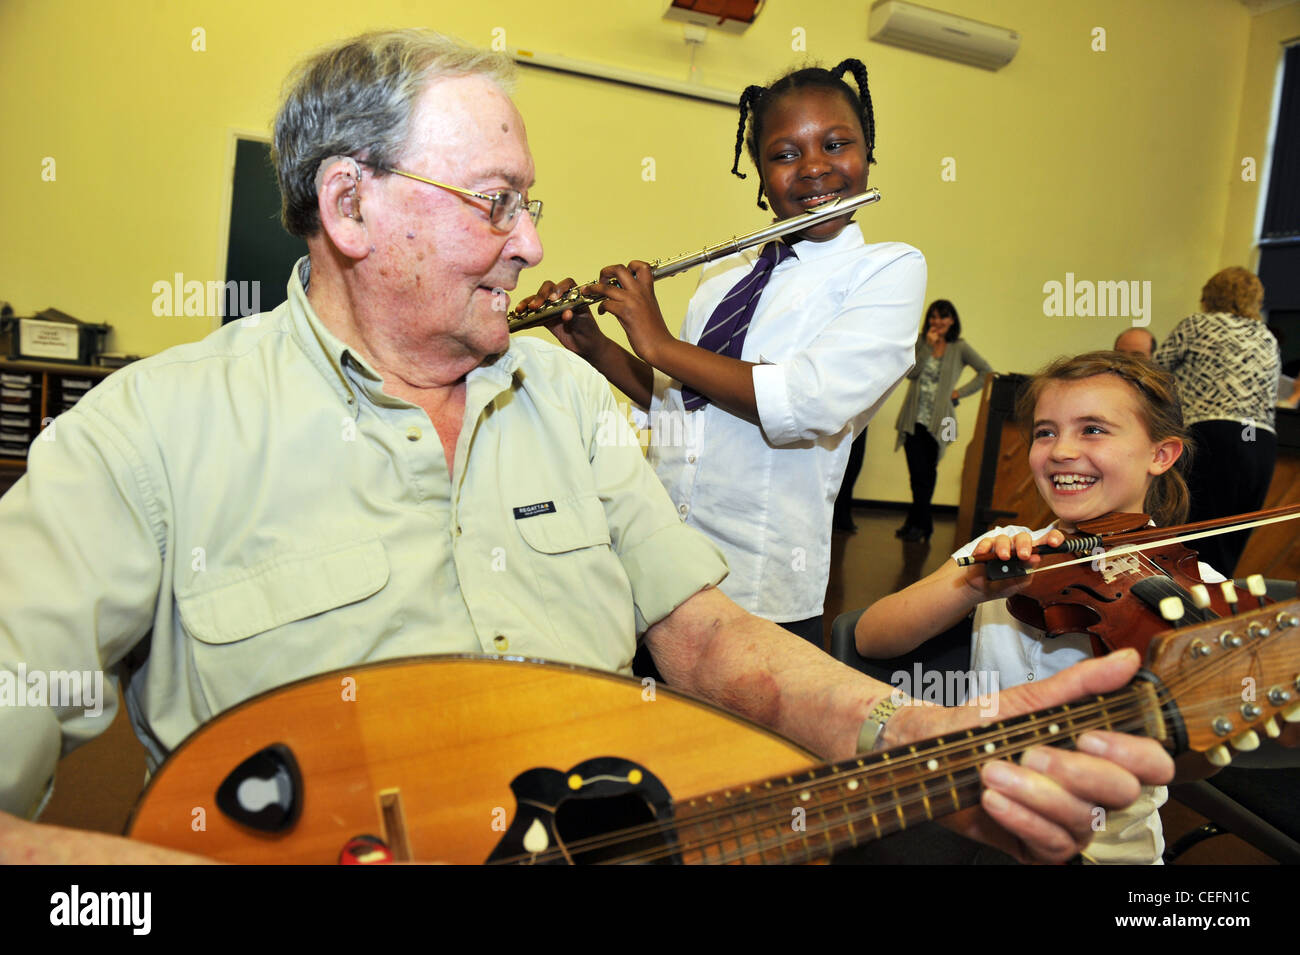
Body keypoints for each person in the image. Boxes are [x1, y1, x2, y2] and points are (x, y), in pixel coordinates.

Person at [0, 32, 1171, 864]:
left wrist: (907, 733)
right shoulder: (140, 436)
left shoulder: (560, 397)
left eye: (532, 203)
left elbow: (701, 634)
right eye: (496, 201)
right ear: (350, 209)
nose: (531, 242)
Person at [526, 61, 923, 647]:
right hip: (660, 564)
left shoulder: (888, 269)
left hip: (761, 585)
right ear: (760, 174)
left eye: (836, 144)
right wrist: (597, 345)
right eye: (785, 154)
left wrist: (658, 340)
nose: (815, 167)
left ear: (867, 152)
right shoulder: (724, 273)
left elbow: (806, 401)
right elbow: (682, 406)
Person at [857, 351, 1209, 863]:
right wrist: (972, 587)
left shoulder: (1196, 590)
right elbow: (871, 636)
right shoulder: (1003, 548)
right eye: (1045, 432)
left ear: (1161, 454)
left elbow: (1199, 758)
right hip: (974, 815)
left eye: (1093, 430)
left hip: (1105, 849)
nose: (1062, 450)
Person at [1155, 267, 1280, 575]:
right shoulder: (1266, 337)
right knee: (1229, 537)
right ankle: (1216, 601)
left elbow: (1153, 373)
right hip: (1256, 438)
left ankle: (1184, 609)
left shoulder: (1198, 324)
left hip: (1213, 432)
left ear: (1209, 295)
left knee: (1194, 534)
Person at [892, 299, 992, 542]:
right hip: (912, 417)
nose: (938, 322)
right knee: (918, 474)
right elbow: (911, 374)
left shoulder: (960, 347)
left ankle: (917, 523)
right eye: (933, 317)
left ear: (952, 320)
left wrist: (958, 392)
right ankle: (921, 523)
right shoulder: (920, 343)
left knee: (928, 471)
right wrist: (926, 346)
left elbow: (986, 371)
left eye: (943, 317)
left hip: (944, 422)